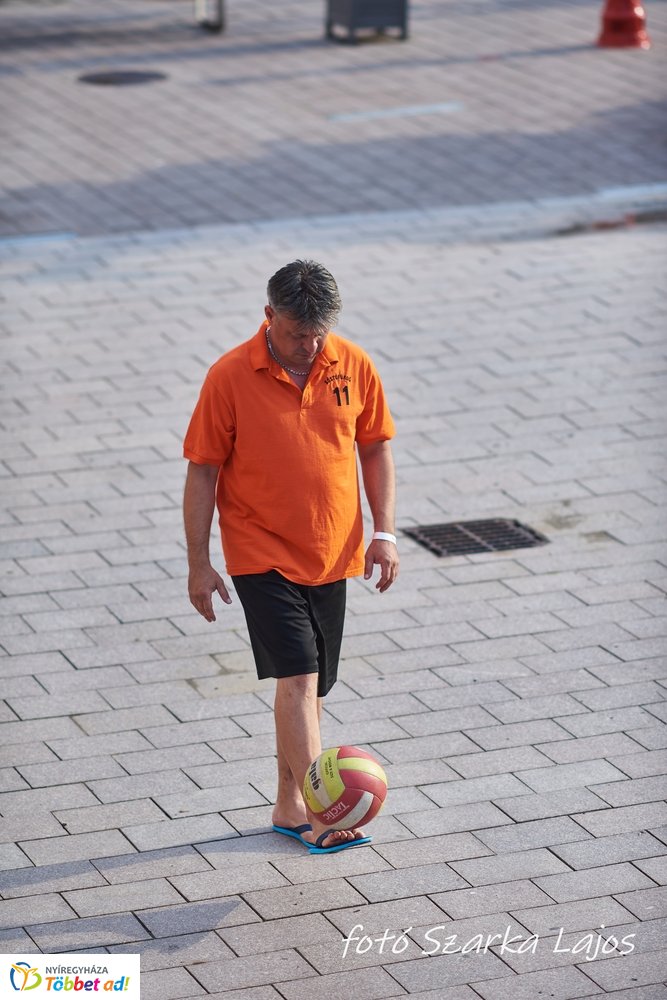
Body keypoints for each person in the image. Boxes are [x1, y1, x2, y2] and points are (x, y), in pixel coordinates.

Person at [182, 260, 398, 854]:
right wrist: (200, 562)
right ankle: (322, 814)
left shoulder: (350, 363)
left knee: (310, 689)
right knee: (299, 679)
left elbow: (375, 447)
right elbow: (202, 470)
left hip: (334, 550)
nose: (310, 345)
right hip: (259, 553)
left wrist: (386, 533)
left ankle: (286, 804)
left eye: (319, 333)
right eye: (299, 333)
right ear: (269, 315)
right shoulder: (228, 376)